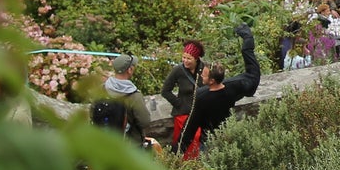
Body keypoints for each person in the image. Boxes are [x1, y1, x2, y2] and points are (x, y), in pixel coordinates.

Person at [177, 24, 263, 156]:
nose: (200, 75)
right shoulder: (233, 87)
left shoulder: (202, 96)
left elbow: (190, 127)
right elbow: (253, 75)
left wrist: (176, 153)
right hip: (227, 135)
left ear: (211, 81)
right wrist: (247, 40)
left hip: (209, 142)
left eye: (204, 75)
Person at [89, 55, 161, 145]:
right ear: (130, 70)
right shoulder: (134, 96)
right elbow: (144, 122)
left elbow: (92, 113)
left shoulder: (102, 89)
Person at [163, 41, 204, 160]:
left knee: (199, 141)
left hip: (200, 113)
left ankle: (197, 167)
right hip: (183, 114)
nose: (185, 61)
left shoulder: (204, 68)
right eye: (183, 57)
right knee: (187, 142)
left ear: (196, 58)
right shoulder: (178, 70)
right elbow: (165, 91)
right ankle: (185, 166)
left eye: (189, 58)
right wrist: (179, 104)